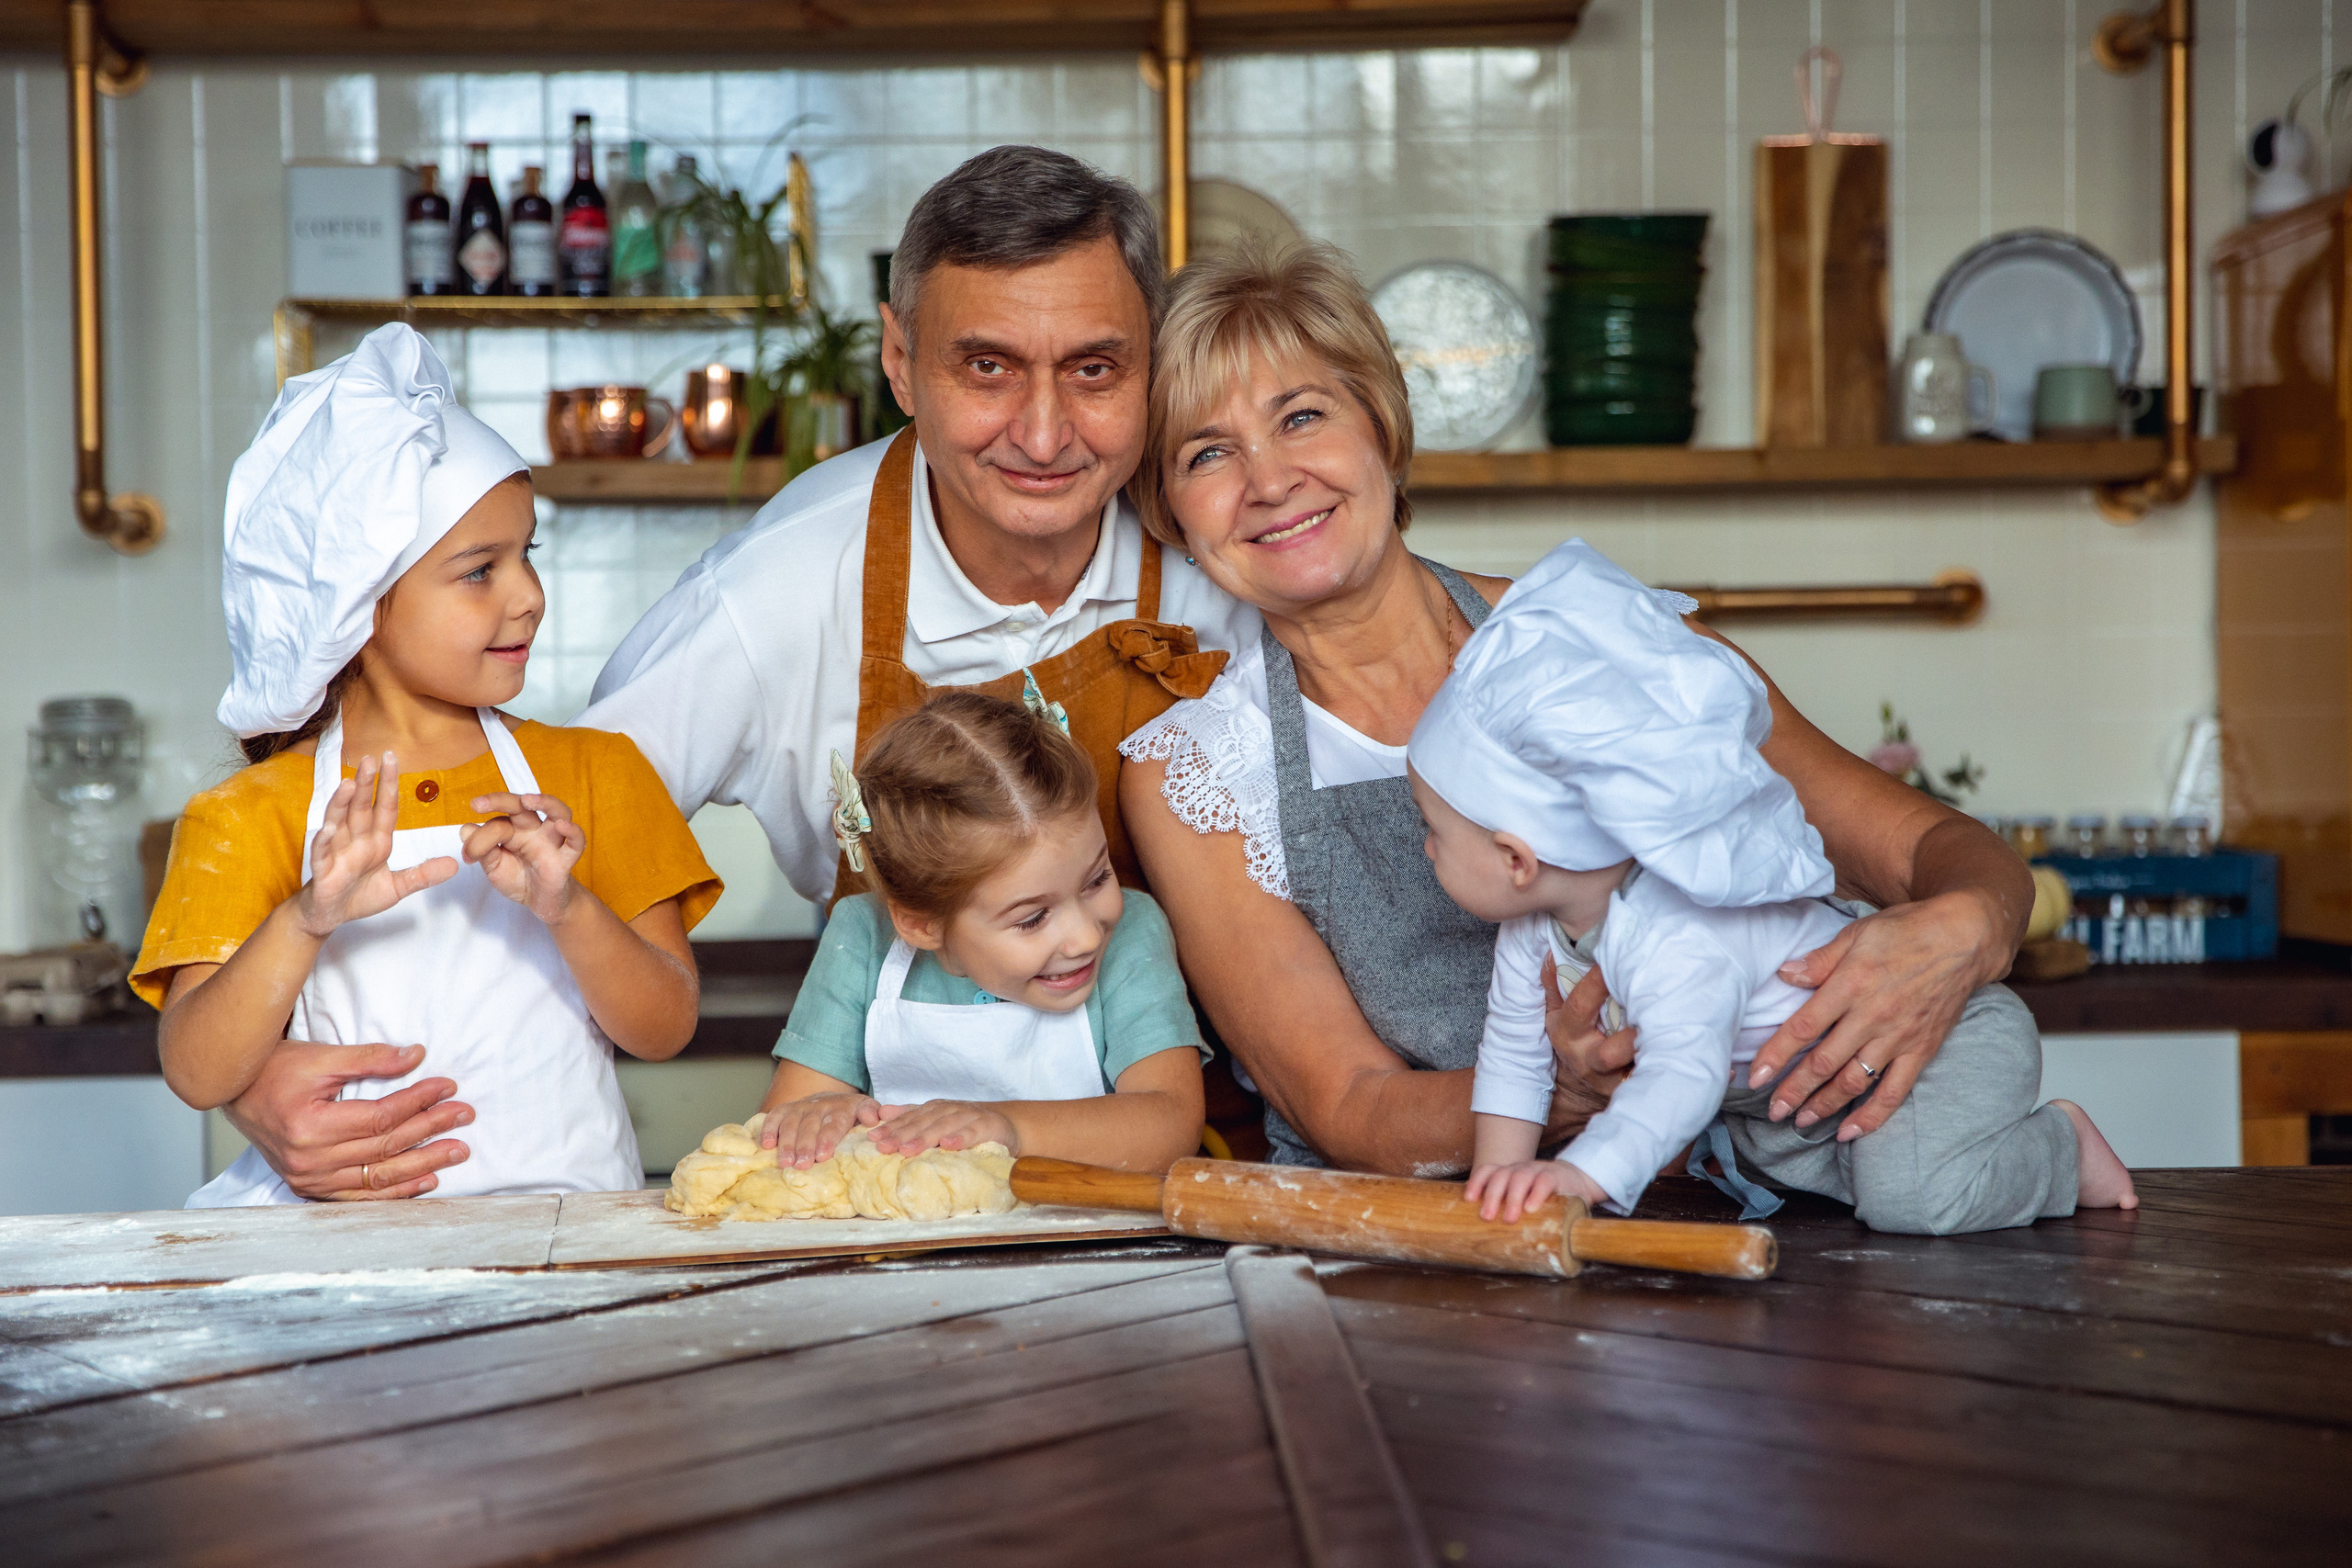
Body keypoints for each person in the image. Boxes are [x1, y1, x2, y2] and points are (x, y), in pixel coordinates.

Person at [214, 144, 1256, 1200]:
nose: (1042, 432)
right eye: (986, 367)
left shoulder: (1231, 551)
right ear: (899, 362)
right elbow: (541, 828)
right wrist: (258, 1077)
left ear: (1152, 366)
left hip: (1210, 1170)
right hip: (888, 1194)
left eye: (1094, 369)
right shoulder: (778, 588)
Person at [1121, 241, 2042, 1175]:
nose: (1269, 480)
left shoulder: (1602, 636)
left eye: (1302, 416)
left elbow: (1927, 850)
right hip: (1454, 1232)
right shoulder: (1195, 777)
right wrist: (1563, 1091)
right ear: (1169, 514)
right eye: (1208, 453)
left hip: (1774, 1194)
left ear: (1383, 430)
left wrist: (1965, 928)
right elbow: (1350, 1107)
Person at [134, 324, 720, 1205]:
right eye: (479, 570)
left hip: (569, 1244)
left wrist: (567, 907)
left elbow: (665, 1026)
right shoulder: (250, 815)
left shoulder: (597, 772)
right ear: (358, 606)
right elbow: (197, 1070)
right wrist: (307, 916)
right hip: (349, 1258)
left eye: (528, 554)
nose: (529, 595)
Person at [1408, 538, 2137, 1233]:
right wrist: (1495, 1189)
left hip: (1939, 1044)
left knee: (1911, 1199)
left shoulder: (1680, 932)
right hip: (1795, 1099)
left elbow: (1681, 1078)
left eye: (1434, 828)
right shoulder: (1535, 929)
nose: (1424, 845)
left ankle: (2061, 1154)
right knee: (1793, 1169)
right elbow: (1515, 1057)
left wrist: (1583, 1175)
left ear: (1517, 859)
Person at [755, 690, 1205, 1173]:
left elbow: (1171, 1125)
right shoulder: (863, 937)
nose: (1088, 938)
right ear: (921, 924)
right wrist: (820, 1114)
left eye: (1097, 879)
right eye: (1032, 918)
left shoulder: (1132, 932)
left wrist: (1009, 1130)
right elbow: (782, 1126)